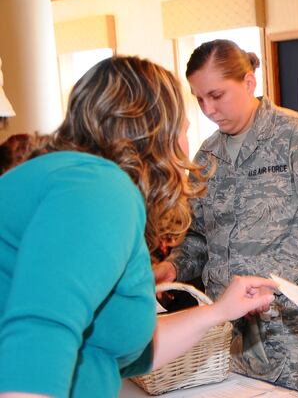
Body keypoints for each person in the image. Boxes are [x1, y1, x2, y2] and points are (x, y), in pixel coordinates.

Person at [0, 56, 277, 398]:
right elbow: (38, 340)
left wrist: (219, 312)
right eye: (185, 129)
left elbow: (129, 351)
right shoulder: (99, 187)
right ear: (157, 133)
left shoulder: (76, 181)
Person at [152, 39, 298, 397]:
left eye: (217, 95)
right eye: (199, 99)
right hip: (227, 333)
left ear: (248, 82)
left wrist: (264, 279)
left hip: (290, 329)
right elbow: (197, 235)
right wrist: (175, 267)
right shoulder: (208, 154)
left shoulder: (295, 136)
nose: (208, 109)